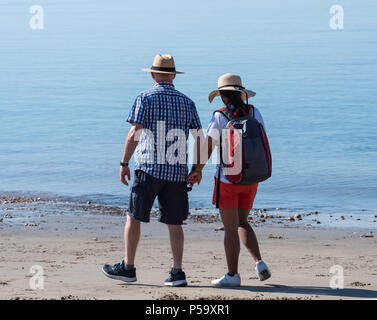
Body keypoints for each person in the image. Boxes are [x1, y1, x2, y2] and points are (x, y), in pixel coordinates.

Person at [102, 54, 202, 287]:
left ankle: (128, 267)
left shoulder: (145, 98)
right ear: (174, 76)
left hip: (149, 168)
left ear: (153, 75)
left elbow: (134, 133)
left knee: (134, 216)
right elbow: (200, 138)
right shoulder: (187, 102)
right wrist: (197, 168)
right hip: (177, 173)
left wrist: (124, 163)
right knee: (174, 223)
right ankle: (177, 272)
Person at [188, 73, 271, 287]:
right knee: (243, 222)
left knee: (230, 228)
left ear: (223, 97)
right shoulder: (255, 112)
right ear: (241, 94)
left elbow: (207, 146)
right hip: (251, 179)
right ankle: (259, 262)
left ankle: (233, 275)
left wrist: (197, 170)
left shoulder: (220, 117)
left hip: (228, 181)